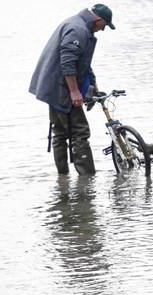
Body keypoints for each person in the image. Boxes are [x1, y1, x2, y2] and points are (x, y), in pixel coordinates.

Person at [29, 4, 115, 175]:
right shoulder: (78, 29)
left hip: (54, 86)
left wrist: (94, 87)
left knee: (60, 132)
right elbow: (67, 62)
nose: (103, 29)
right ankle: (87, 180)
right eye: (104, 25)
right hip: (60, 88)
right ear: (98, 20)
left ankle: (63, 180)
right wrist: (74, 91)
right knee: (80, 131)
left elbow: (83, 64)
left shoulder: (80, 26)